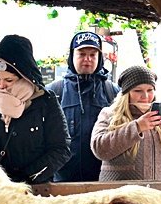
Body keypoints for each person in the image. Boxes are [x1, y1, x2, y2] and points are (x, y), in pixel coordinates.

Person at [0, 34, 70, 184]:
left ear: (25, 77)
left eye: (9, 80)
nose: (1, 85)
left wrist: (27, 178)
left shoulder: (46, 102)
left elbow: (61, 149)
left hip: (33, 191)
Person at [91, 65, 161, 181]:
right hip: (122, 194)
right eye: (138, 91)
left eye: (150, 90)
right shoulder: (109, 114)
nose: (145, 96)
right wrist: (137, 127)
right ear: (126, 93)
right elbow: (99, 149)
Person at [47, 30, 118, 182]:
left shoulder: (113, 92)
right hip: (62, 182)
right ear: (72, 56)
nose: (87, 59)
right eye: (81, 54)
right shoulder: (53, 92)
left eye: (93, 55)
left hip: (103, 182)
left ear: (99, 58)